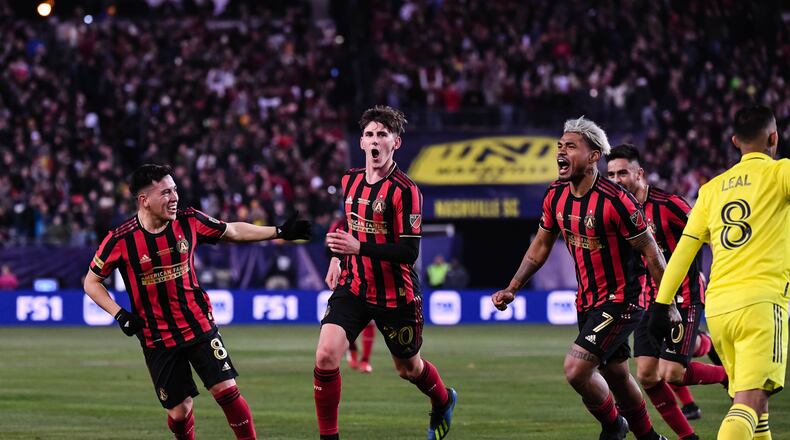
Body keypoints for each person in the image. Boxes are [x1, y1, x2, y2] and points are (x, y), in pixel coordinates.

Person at [84, 164, 311, 440]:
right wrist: (119, 314)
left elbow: (232, 231)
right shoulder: (120, 239)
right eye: (165, 192)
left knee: (226, 390)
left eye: (174, 190)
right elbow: (91, 282)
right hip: (157, 337)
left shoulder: (189, 220)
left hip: (198, 323)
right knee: (180, 412)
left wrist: (280, 231)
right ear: (144, 200)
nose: (174, 197)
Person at [492, 117, 675, 440]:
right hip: (587, 301)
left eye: (571, 146)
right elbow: (540, 247)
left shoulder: (616, 201)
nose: (561, 152)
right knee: (616, 375)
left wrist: (667, 303)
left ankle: (614, 425)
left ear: (593, 157)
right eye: (560, 146)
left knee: (576, 370)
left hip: (622, 300)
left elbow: (652, 252)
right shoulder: (555, 195)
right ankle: (649, 438)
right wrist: (513, 287)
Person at [648, 105, 789, 440]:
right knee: (749, 404)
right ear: (774, 138)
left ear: (734, 141)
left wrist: (661, 305)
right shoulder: (781, 172)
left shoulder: (711, 190)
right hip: (761, 304)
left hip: (720, 310)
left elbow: (683, 253)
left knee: (758, 412)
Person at [317, 105, 457, 440]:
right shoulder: (350, 180)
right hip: (354, 286)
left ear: (396, 142)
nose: (375, 140)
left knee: (409, 368)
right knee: (325, 355)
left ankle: (443, 399)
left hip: (396, 295)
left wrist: (358, 248)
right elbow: (350, 224)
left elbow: (409, 252)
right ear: (361, 142)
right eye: (369, 134)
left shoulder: (406, 191)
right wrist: (337, 257)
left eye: (382, 134)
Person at [607, 144, 728, 440]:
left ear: (639, 173)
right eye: (611, 174)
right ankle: (689, 437)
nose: (616, 180)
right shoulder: (618, 212)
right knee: (647, 375)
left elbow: (710, 234)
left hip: (684, 297)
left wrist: (718, 272)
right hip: (649, 300)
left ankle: (730, 375)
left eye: (623, 173)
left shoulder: (669, 204)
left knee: (673, 373)